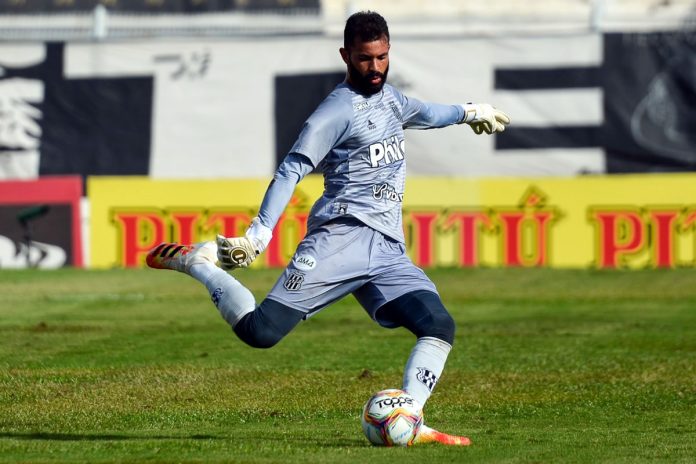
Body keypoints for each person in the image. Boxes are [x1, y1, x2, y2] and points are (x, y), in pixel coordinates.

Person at [147, 10, 509, 446]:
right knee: (260, 333)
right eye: (363, 59)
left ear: (389, 50)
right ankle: (200, 263)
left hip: (388, 249)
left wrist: (470, 111)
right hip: (339, 239)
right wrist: (259, 234)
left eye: (380, 57)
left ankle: (409, 417)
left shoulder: (392, 99)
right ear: (345, 55)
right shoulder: (334, 112)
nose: (373, 68)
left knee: (438, 325)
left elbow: (428, 113)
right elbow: (290, 170)